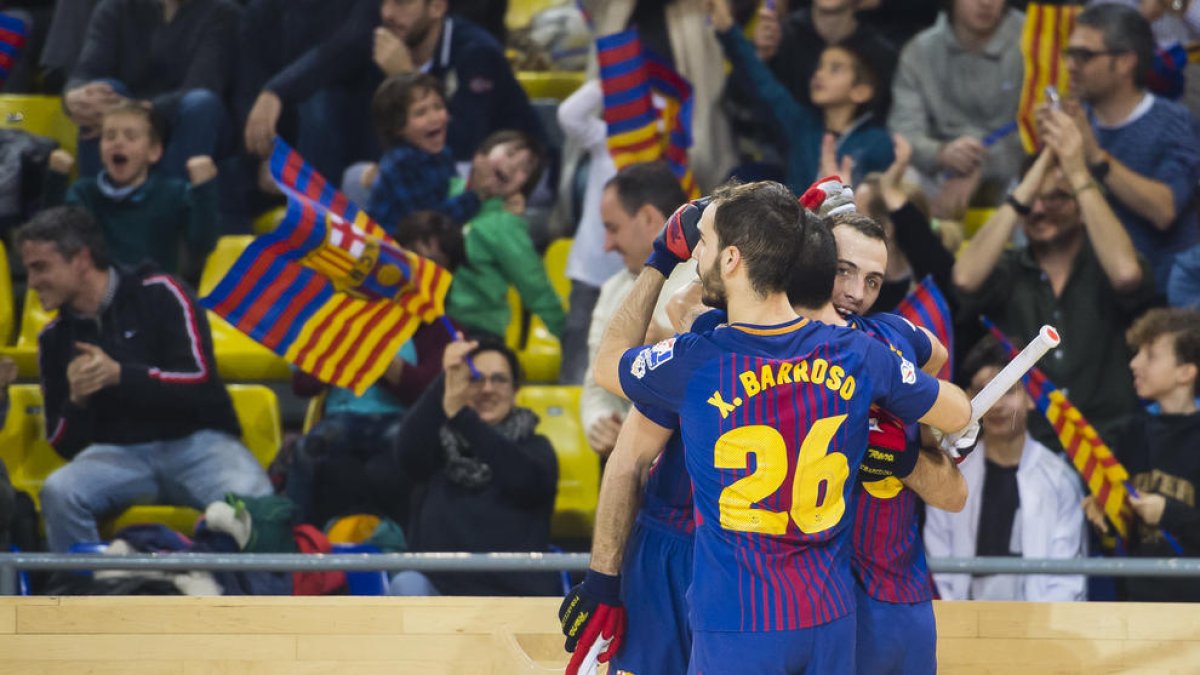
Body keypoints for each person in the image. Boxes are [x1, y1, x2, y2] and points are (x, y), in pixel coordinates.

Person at [566, 181, 971, 672]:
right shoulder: (862, 354)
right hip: (828, 611)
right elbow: (959, 411)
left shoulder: (700, 356)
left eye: (707, 245)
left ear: (734, 260)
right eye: (845, 271)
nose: (698, 256)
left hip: (740, 616)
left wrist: (658, 260)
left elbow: (610, 361)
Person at [18, 206, 272, 553]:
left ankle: (251, 602)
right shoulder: (53, 339)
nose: (31, 283)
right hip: (118, 456)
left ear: (80, 259)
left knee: (254, 502)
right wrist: (77, 402)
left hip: (197, 444)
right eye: (29, 271)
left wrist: (120, 376)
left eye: (41, 267)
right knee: (60, 491)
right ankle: (83, 598)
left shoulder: (160, 293)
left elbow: (200, 384)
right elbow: (64, 444)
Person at [953, 107, 1159, 449]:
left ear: (1081, 205)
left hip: (1111, 443)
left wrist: (1077, 171)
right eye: (1032, 199)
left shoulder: (1106, 263)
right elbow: (964, 278)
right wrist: (1030, 180)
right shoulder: (1007, 267)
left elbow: (1127, 275)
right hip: (1028, 445)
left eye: (1056, 198)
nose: (1037, 209)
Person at [285, 210, 463, 527]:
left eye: (433, 264)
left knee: (406, 457)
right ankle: (296, 544)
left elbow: (422, 391)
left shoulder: (444, 329)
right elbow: (303, 384)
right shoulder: (347, 311)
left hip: (399, 423)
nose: (418, 273)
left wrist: (369, 348)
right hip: (341, 420)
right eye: (411, 259)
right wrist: (339, 344)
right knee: (307, 450)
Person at [389, 336, 559, 596]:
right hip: (441, 598)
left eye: (499, 379)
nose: (487, 388)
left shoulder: (536, 448)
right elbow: (407, 455)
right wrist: (443, 383)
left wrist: (463, 418)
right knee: (408, 582)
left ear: (515, 391)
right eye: (476, 378)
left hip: (515, 599)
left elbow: (525, 481)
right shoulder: (436, 447)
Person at [925, 336, 1088, 601]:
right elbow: (938, 558)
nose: (996, 405)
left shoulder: (1059, 479)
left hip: (1039, 629)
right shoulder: (948, 473)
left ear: (1031, 398)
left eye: (1008, 391)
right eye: (983, 391)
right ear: (968, 399)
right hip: (963, 627)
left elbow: (1067, 578)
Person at [1061, 3, 1200, 290]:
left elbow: (1164, 209)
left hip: (1162, 298)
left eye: (1084, 56)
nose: (1071, 66)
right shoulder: (1075, 122)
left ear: (1125, 62)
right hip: (1090, 293)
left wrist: (1096, 156)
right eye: (1069, 54)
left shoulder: (1174, 123)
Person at [709, 0, 894, 191]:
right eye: (819, 67)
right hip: (799, 219)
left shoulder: (879, 143)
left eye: (835, 69)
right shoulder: (802, 125)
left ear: (861, 91)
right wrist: (728, 29)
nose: (820, 74)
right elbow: (764, 84)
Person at [1084, 307, 1200, 602]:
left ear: (1186, 372)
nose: (1134, 363)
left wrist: (1168, 513)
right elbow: (1115, 538)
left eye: (1150, 355)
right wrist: (1102, 513)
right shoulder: (1127, 434)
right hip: (1134, 605)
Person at [581, 162, 693, 457]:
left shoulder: (714, 279)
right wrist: (599, 421)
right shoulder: (611, 290)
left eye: (612, 228)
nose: (607, 245)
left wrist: (667, 345)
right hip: (635, 465)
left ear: (648, 217)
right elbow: (595, 383)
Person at [65, 0, 240, 179]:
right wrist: (73, 96)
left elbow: (203, 83)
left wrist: (130, 112)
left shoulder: (223, 13)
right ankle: (96, 198)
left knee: (200, 104)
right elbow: (86, 72)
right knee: (99, 93)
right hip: (126, 114)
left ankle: (171, 202)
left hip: (184, 119)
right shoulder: (115, 7)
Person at [44, 102, 220, 280]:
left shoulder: (174, 193)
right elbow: (52, 239)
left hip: (155, 295)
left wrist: (204, 189)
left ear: (154, 152)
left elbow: (202, 245)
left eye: (131, 137)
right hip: (99, 296)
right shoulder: (84, 192)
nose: (118, 143)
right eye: (110, 136)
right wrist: (56, 179)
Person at [373, 0, 546, 165]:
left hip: (514, 170)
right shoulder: (386, 53)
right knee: (356, 177)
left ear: (437, 7)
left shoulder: (476, 52)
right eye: (383, 2)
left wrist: (407, 79)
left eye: (402, 2)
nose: (387, 13)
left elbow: (463, 144)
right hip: (438, 165)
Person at [888, 0, 1026, 206]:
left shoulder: (1034, 42)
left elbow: (1038, 127)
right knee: (903, 180)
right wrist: (940, 153)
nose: (986, 3)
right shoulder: (919, 51)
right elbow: (904, 130)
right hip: (941, 169)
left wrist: (981, 165)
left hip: (1012, 168)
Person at [239, 0, 380, 183]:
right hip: (286, 122)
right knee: (225, 162)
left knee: (317, 105)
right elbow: (249, 84)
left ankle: (320, 209)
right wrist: (265, 151)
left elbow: (351, 43)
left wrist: (276, 90)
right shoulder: (261, 9)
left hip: (355, 114)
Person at [445, 130, 565, 341]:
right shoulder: (443, 190)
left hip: (476, 331)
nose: (512, 166)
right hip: (422, 322)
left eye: (525, 169)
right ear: (480, 155)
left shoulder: (506, 224)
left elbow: (536, 288)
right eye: (509, 153)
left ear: (522, 187)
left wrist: (573, 343)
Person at [360, 73, 496, 233]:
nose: (434, 118)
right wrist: (477, 195)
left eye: (438, 107)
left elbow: (453, 196)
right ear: (397, 127)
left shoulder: (443, 153)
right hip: (391, 251)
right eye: (420, 113)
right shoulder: (402, 162)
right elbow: (430, 225)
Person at [556, 80, 624, 385]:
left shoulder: (669, 152)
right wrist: (609, 75)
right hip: (589, 270)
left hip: (636, 275)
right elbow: (569, 114)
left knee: (622, 357)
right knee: (576, 356)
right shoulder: (609, 139)